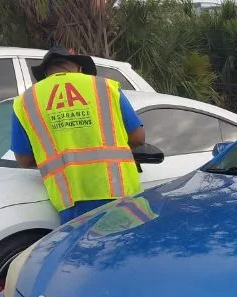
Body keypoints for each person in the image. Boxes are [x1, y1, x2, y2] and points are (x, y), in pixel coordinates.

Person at [11, 46, 146, 224]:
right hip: (120, 192)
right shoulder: (105, 87)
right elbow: (138, 138)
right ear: (79, 68)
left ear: (45, 72)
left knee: (83, 251)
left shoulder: (25, 101)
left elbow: (24, 159)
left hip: (70, 200)